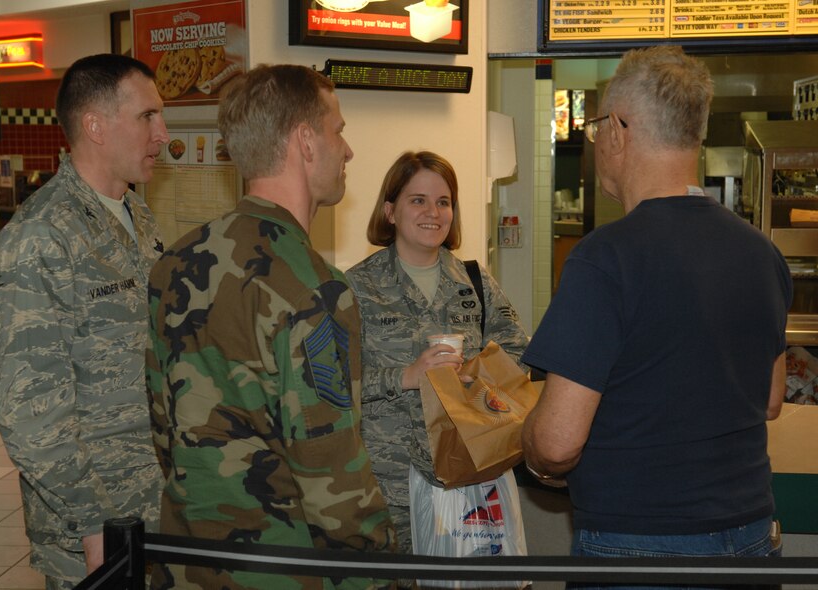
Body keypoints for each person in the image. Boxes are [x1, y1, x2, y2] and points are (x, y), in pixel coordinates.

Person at [520, 45, 791, 589]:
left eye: (598, 128)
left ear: (618, 130)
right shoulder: (760, 251)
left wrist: (534, 455)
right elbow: (770, 399)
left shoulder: (605, 257)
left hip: (640, 547)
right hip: (751, 539)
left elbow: (557, 442)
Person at [145, 64, 396, 590]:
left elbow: (164, 426)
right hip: (283, 569)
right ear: (306, 142)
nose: (346, 150)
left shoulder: (174, 263)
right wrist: (382, 569)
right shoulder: (314, 288)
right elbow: (332, 474)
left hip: (189, 559)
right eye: (338, 131)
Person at [0, 53, 168, 588]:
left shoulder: (138, 216)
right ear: (94, 126)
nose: (163, 134)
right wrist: (94, 523)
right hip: (95, 527)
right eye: (147, 117)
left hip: (158, 505)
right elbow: (29, 410)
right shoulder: (42, 236)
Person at [345, 150, 529, 556]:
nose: (433, 212)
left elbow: (518, 357)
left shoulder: (476, 283)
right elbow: (332, 382)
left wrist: (477, 376)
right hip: (385, 485)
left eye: (443, 202)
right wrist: (405, 377)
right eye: (418, 200)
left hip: (467, 479)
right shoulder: (356, 287)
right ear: (390, 211)